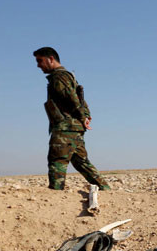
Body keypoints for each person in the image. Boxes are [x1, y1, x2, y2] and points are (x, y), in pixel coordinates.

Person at [33, 47, 110, 190]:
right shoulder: (66, 76)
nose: (38, 65)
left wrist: (83, 116)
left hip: (65, 128)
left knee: (57, 161)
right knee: (80, 161)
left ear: (50, 59)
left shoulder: (59, 77)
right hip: (74, 127)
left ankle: (56, 194)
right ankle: (106, 189)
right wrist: (85, 116)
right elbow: (79, 99)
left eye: (40, 61)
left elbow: (72, 98)